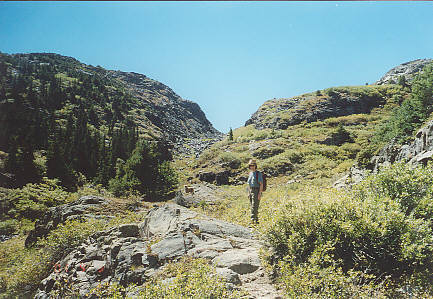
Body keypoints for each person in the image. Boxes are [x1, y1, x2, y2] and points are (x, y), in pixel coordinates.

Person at [247, 159, 263, 224]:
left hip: (256, 191)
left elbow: (261, 184)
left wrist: (259, 193)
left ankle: (252, 222)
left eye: (253, 165)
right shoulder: (250, 173)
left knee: (254, 206)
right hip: (251, 191)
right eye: (250, 166)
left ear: (255, 166)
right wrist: (248, 193)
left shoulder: (258, 173)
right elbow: (248, 184)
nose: (252, 167)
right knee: (252, 206)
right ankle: (256, 221)